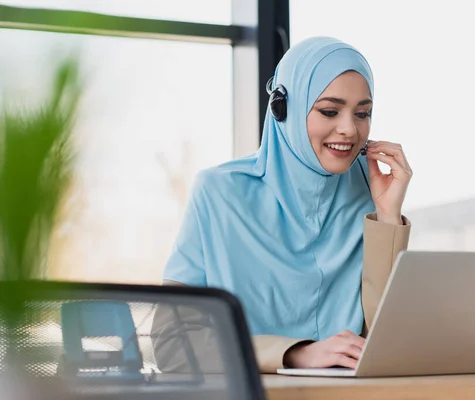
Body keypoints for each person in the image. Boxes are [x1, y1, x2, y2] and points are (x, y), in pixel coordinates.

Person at [156, 36, 413, 373]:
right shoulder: (219, 192)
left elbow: (386, 342)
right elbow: (172, 344)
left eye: (362, 113)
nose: (350, 129)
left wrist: (388, 217)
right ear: (282, 109)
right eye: (329, 111)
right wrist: (294, 353)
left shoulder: (369, 190)